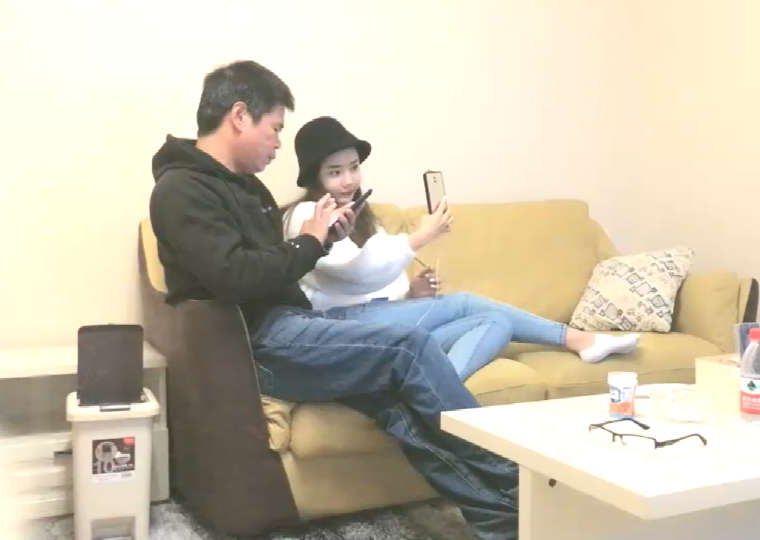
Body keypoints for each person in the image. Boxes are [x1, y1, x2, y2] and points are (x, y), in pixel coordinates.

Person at [150, 60, 517, 540]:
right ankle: (519, 477)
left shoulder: (247, 188)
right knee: (410, 347)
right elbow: (235, 277)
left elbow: (274, 265)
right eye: (275, 128)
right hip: (256, 344)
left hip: (287, 327)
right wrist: (308, 241)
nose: (278, 144)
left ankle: (502, 519)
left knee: (394, 405)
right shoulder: (181, 190)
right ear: (239, 116)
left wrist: (322, 240)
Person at [282, 116, 640, 381]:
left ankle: (429, 389)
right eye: (335, 172)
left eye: (354, 168)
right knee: (464, 303)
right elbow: (355, 275)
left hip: (381, 322)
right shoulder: (306, 216)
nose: (348, 180)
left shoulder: (361, 216)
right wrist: (421, 236)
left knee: (496, 322)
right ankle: (576, 339)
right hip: (341, 329)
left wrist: (410, 293)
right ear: (316, 178)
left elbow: (376, 282)